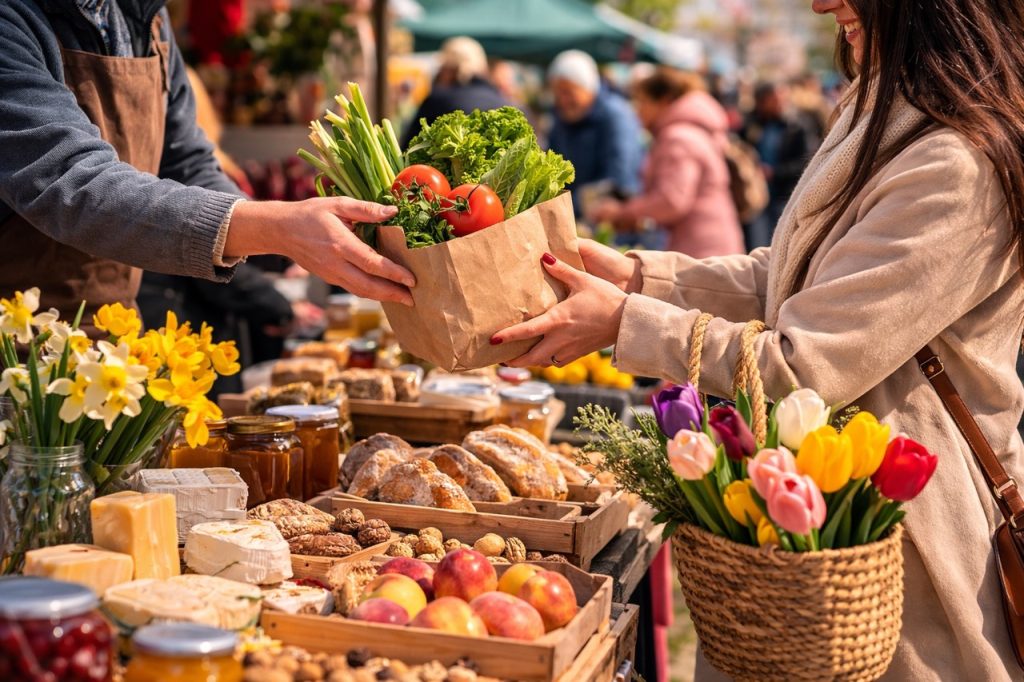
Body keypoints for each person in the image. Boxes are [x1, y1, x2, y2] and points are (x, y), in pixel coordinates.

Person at [493, 0, 1024, 678]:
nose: (822, 3)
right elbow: (787, 275)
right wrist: (635, 274)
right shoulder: (882, 116)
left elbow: (806, 365)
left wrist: (624, 321)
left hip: (897, 565)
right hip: (813, 533)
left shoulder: (955, 162)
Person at [0, 0, 414, 333]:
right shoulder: (12, 19)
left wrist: (278, 239)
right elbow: (71, 182)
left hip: (115, 337)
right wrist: (278, 228)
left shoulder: (148, 17)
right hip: (17, 346)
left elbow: (187, 161)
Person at [589, 69, 745, 258]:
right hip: (713, 244)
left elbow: (672, 201)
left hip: (702, 252)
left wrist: (622, 212)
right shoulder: (690, 130)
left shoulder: (677, 138)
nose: (638, 111)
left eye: (642, 102)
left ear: (663, 101)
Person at [546, 50, 643, 217]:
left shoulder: (616, 116)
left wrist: (566, 207)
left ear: (589, 88)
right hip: (576, 218)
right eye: (557, 93)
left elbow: (619, 180)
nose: (562, 100)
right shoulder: (561, 120)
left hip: (612, 223)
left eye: (568, 92)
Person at [741, 82, 818, 249]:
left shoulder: (797, 126)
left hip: (783, 197)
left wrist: (774, 172)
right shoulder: (751, 125)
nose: (780, 102)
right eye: (774, 99)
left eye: (783, 97)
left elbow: (807, 162)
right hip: (756, 197)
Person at [400, 37, 515, 146]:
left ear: (448, 71)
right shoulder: (507, 104)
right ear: (482, 69)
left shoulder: (437, 101)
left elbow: (409, 149)